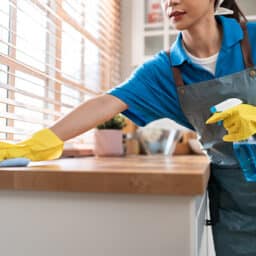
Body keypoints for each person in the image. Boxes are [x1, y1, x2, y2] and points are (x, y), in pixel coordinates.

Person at [1, 0, 256, 254]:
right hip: (235, 200)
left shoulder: (251, 37)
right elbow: (105, 102)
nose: (171, 2)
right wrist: (37, 143)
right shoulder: (165, 70)